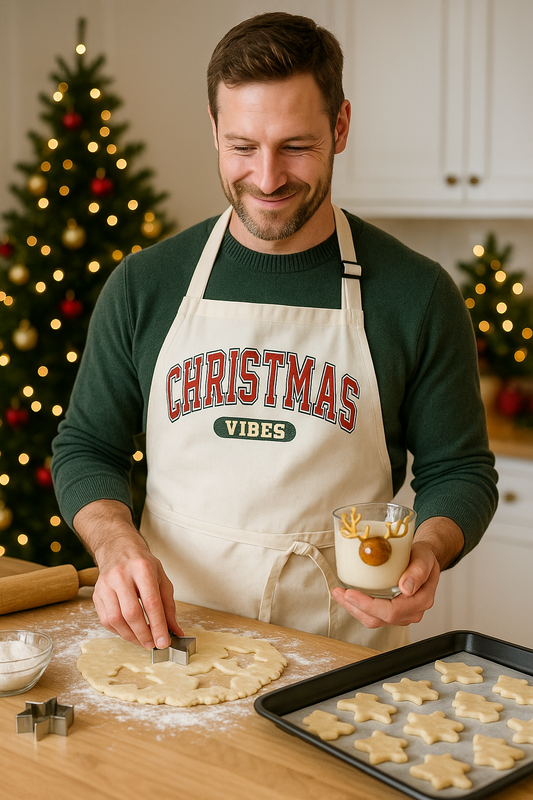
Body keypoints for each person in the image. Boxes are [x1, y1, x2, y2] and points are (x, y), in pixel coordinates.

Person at [52, 12, 498, 653]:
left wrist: (428, 547)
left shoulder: (416, 294)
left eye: (296, 146)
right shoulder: (145, 284)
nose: (266, 178)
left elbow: (459, 470)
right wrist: (116, 543)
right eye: (242, 147)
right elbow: (86, 447)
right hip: (171, 642)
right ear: (213, 128)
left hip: (340, 652)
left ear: (340, 127)